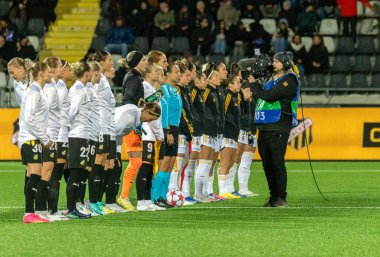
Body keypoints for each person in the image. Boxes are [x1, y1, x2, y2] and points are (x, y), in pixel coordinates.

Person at [251, 51, 300, 207]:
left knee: (277, 162)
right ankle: (273, 196)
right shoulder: (272, 78)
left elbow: (270, 96)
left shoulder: (290, 79)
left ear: (285, 63)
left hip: (279, 124)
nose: (273, 64)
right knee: (267, 163)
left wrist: (253, 85)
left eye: (277, 61)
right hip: (265, 125)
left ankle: (281, 197)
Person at [19, 62, 53, 223]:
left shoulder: (37, 90)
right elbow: (29, 118)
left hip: (33, 139)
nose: (50, 74)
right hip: (30, 139)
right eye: (48, 72)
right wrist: (44, 138)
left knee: (31, 174)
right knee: (36, 174)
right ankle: (28, 213)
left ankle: (30, 212)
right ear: (41, 74)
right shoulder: (34, 91)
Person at [34, 56, 63, 221]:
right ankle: (40, 210)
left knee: (47, 173)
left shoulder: (51, 87)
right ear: (51, 70)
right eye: (59, 66)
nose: (62, 69)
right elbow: (44, 112)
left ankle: (44, 210)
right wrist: (45, 136)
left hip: (50, 134)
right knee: (46, 173)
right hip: (48, 135)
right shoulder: (50, 89)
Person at [118, 51, 147, 211]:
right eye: (143, 60)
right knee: (135, 161)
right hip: (130, 121)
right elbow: (128, 98)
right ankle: (123, 197)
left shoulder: (134, 77)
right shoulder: (133, 78)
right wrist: (136, 117)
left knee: (137, 161)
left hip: (133, 120)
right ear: (137, 62)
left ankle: (122, 197)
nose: (145, 62)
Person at [151, 62, 182, 207]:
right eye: (176, 72)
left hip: (175, 129)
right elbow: (163, 113)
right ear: (168, 74)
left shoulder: (175, 90)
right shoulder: (163, 90)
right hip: (166, 129)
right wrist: (168, 131)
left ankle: (163, 197)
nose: (179, 74)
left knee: (170, 164)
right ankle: (155, 197)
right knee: (164, 164)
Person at [65, 61, 93, 219]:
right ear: (87, 72)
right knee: (76, 173)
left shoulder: (80, 88)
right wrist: (69, 129)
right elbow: (72, 111)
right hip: (77, 135)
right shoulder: (79, 90)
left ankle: (75, 205)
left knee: (79, 173)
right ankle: (71, 208)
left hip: (81, 135)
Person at [49, 59, 73, 218]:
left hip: (62, 134)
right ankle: (51, 210)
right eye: (69, 69)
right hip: (58, 136)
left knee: (59, 171)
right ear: (61, 71)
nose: (72, 71)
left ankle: (54, 208)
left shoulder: (61, 87)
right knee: (55, 173)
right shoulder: (58, 88)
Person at [91, 51, 115, 215]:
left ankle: (98, 201)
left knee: (103, 162)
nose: (112, 63)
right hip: (98, 126)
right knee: (97, 163)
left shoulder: (104, 80)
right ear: (101, 62)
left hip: (105, 127)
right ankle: (93, 201)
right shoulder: (97, 79)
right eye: (109, 60)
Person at [182, 69, 207, 204]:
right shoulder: (192, 92)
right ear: (197, 80)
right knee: (189, 164)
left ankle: (188, 194)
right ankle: (185, 194)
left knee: (191, 164)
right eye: (204, 79)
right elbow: (188, 111)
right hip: (193, 131)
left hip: (197, 131)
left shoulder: (199, 93)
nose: (206, 81)